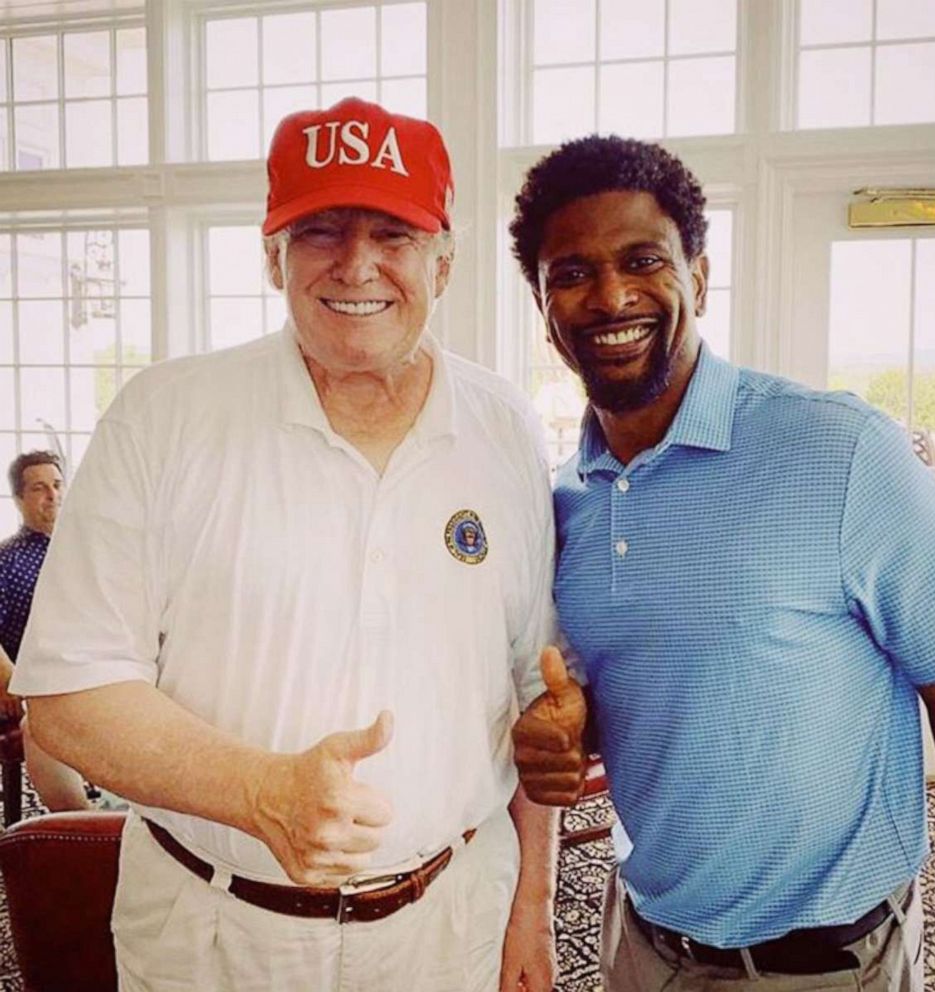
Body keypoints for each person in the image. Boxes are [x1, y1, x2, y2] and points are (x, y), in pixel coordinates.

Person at [12, 98, 557, 992]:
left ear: (445, 261)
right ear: (272, 255)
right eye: (320, 231)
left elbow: (533, 689)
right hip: (214, 934)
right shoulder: (164, 416)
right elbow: (68, 700)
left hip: (454, 924)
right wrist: (260, 791)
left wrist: (533, 903)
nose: (357, 264)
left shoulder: (504, 427)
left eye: (394, 232)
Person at [508, 134, 935, 992]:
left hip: (830, 966)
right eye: (571, 274)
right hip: (642, 945)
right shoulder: (567, 504)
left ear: (698, 276)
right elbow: (652, 683)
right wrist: (570, 733)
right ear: (544, 310)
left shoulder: (841, 453)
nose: (610, 294)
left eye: (643, 260)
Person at [0, 450, 94, 812]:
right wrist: (9, 678)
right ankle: (78, 825)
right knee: (41, 727)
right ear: (19, 499)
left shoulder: (87, 552)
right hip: (37, 683)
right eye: (39, 488)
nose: (52, 495)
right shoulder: (6, 560)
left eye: (57, 485)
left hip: (92, 673)